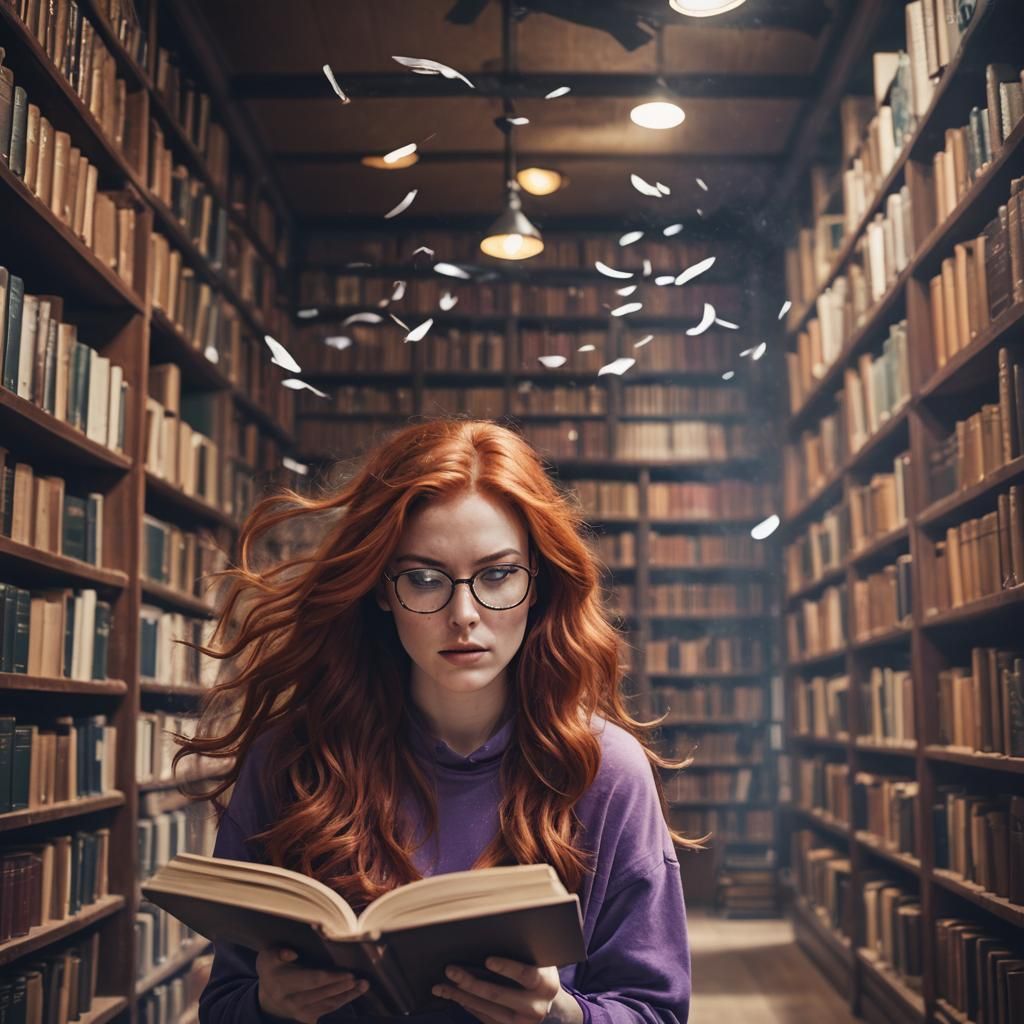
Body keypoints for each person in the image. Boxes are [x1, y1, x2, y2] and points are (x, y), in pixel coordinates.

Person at [178, 418, 697, 1024]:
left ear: (538, 584)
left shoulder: (606, 771)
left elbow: (656, 1011)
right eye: (424, 579)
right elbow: (222, 1007)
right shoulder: (290, 758)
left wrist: (561, 1016)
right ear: (380, 588)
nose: (464, 614)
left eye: (498, 575)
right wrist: (268, 1006)